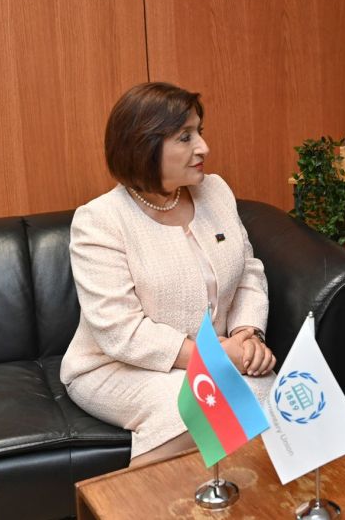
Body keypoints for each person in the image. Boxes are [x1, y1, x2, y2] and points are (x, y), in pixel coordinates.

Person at [60, 82, 276, 467]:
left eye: (200, 132)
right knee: (207, 407)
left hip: (220, 354)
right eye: (185, 137)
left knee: (270, 396)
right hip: (116, 367)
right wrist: (214, 357)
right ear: (143, 146)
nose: (203, 148)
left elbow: (247, 272)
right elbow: (119, 330)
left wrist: (248, 335)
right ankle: (124, 497)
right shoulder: (99, 220)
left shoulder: (216, 192)